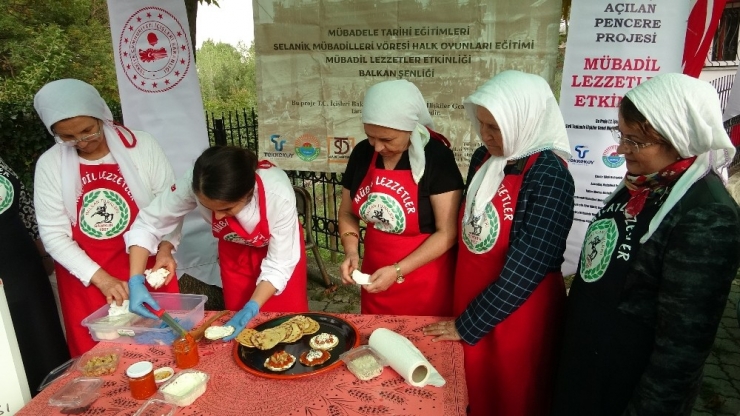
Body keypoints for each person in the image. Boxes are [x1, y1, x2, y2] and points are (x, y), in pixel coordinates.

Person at [551, 74, 740, 415]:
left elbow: (682, 346)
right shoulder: (643, 184)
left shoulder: (706, 213)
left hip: (627, 385)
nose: (622, 149)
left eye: (636, 141)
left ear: (679, 137)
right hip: (589, 366)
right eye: (621, 135)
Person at [422, 70, 575, 416]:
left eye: (496, 127)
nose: (486, 135)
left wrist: (469, 323)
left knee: (511, 395)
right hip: (473, 295)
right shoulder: (484, 158)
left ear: (524, 121)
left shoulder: (549, 174)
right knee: (471, 390)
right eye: (482, 124)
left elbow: (530, 264)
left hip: (519, 311)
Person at [33, 79, 180, 357]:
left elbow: (169, 206)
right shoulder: (50, 165)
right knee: (102, 361)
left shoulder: (142, 146)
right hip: (87, 278)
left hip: (148, 269)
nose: (82, 142)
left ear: (101, 115)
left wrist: (166, 248)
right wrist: (101, 279)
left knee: (163, 351)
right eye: (68, 137)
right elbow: (54, 234)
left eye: (88, 130)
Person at [125, 146, 308, 340]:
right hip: (234, 254)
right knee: (241, 334)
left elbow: (279, 264)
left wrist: (252, 307)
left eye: (227, 208)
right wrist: (135, 279)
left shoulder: (277, 193)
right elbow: (149, 222)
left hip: (280, 251)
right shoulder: (195, 183)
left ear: (248, 193)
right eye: (207, 207)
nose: (218, 216)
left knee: (288, 325)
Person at [338, 79, 464, 316]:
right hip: (375, 274)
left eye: (387, 140)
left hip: (424, 280)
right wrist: (351, 250)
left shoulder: (437, 157)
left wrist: (397, 270)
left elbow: (447, 233)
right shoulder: (362, 153)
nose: (376, 147)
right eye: (371, 136)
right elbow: (346, 212)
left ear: (409, 128)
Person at [0, 156, 69, 396]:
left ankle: (56, 397)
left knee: (42, 330)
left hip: (22, 262)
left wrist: (43, 253)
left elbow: (25, 209)